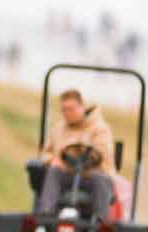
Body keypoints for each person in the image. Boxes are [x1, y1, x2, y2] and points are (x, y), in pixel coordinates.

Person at [35, 88, 114, 218]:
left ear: (81, 107)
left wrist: (84, 160)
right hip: (67, 174)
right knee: (53, 172)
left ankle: (100, 222)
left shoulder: (100, 129)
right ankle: (45, 216)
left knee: (100, 179)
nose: (67, 113)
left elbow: (102, 155)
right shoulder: (58, 129)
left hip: (91, 175)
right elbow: (45, 153)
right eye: (64, 110)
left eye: (70, 109)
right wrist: (52, 160)